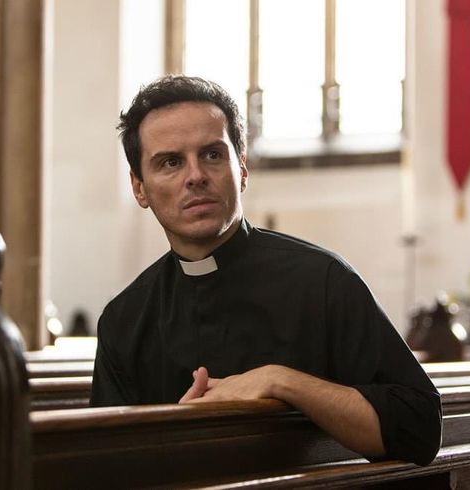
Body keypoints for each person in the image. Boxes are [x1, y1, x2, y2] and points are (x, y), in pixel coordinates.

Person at [90, 75, 442, 466]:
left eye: (211, 155)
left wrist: (281, 380)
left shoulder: (323, 282)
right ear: (139, 188)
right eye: (170, 162)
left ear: (241, 169)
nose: (195, 176)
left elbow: (420, 428)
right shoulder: (124, 320)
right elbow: (106, 465)